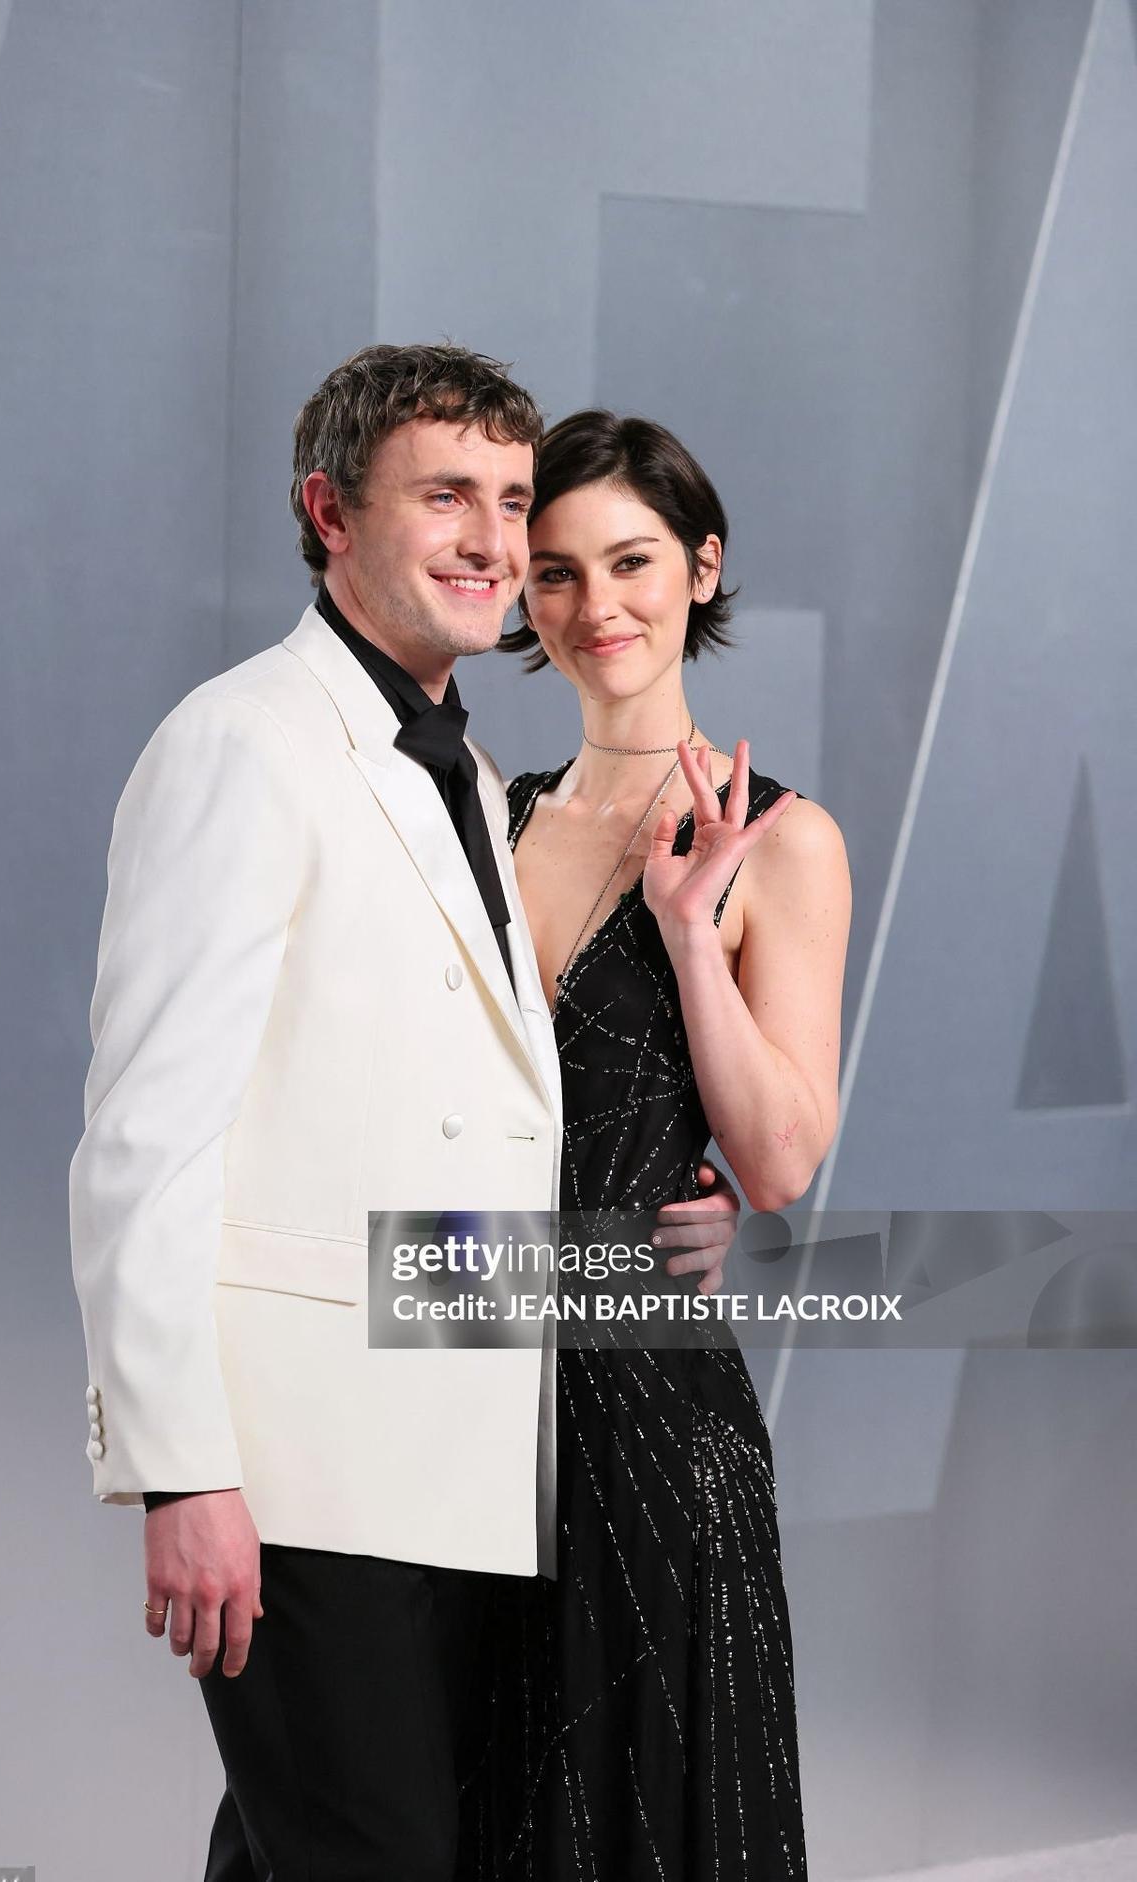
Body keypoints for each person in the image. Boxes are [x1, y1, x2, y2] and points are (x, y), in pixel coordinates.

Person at [68, 346, 743, 1882]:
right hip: (304, 1469)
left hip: (464, 1456)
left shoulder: (475, 775)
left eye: (511, 500)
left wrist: (656, 1197)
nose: (494, 541)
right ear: (329, 513)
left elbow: (462, 1095)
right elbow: (144, 1141)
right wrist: (183, 1468)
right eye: (447, 496)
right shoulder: (243, 742)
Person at [490, 409, 852, 1880]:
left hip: (647, 1417)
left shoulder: (785, 838)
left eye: (632, 561)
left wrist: (693, 933)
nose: (598, 606)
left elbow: (780, 1163)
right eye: (557, 571)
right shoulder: (486, 818)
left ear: (702, 568)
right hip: (463, 1393)